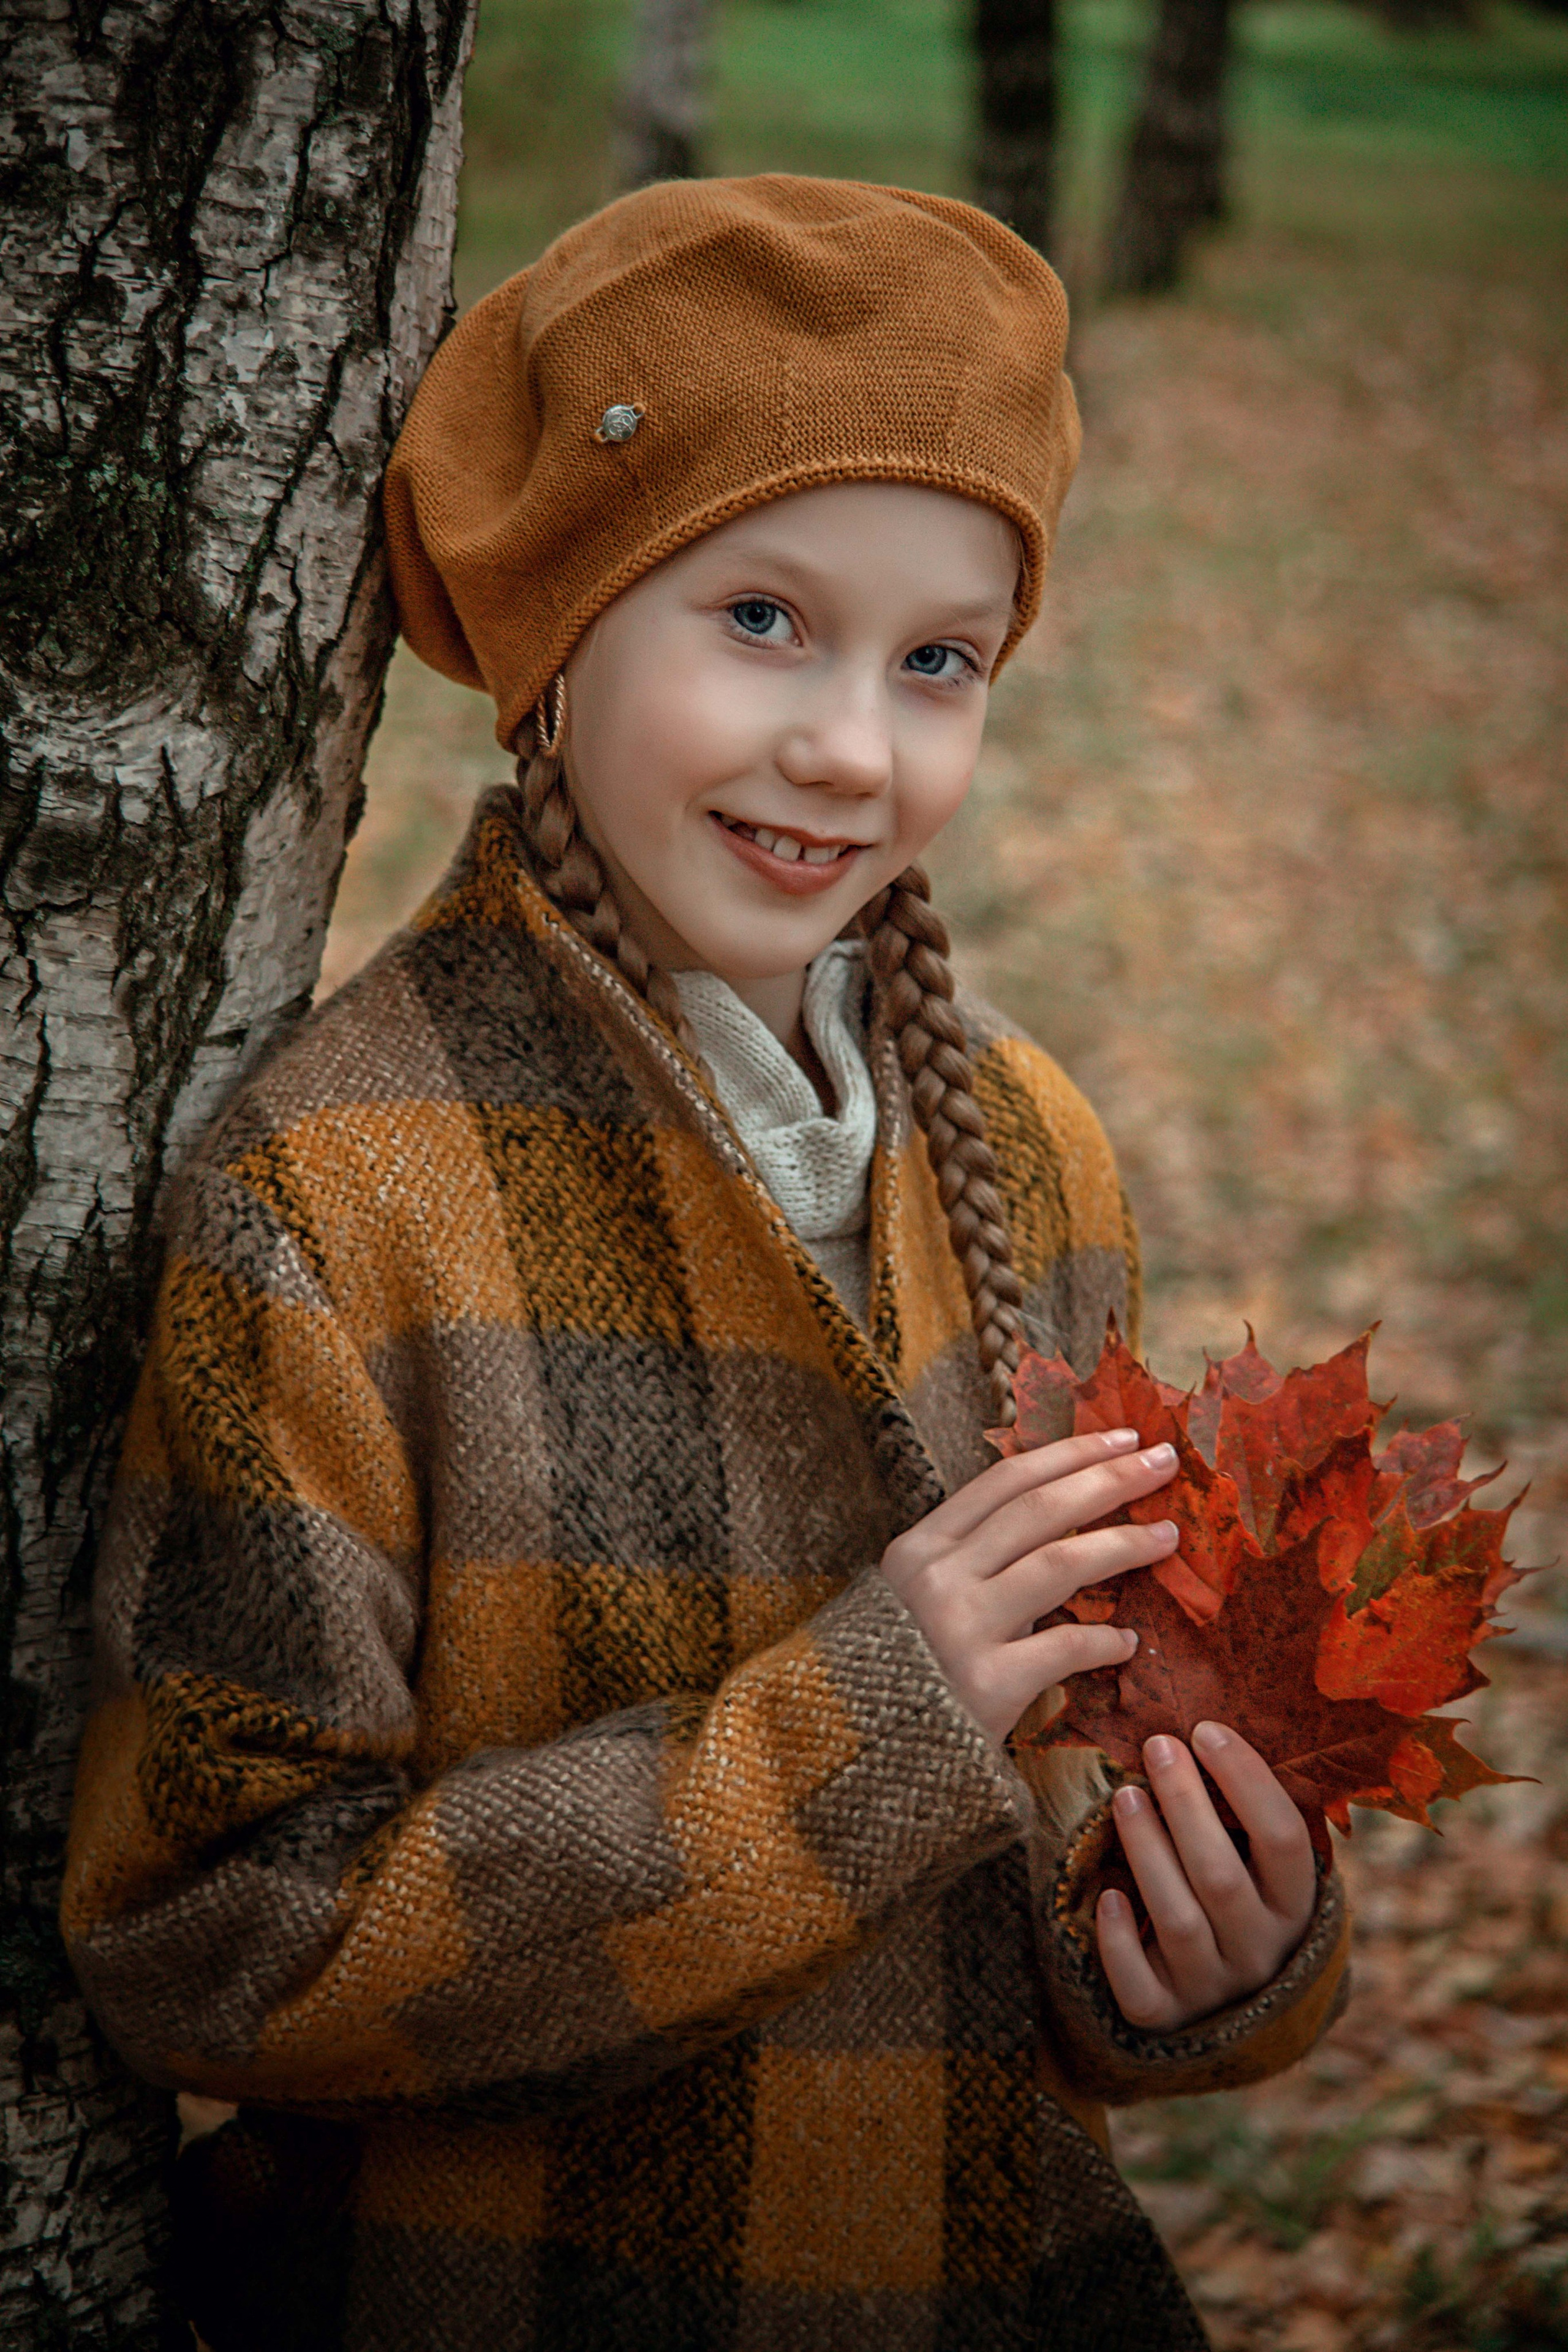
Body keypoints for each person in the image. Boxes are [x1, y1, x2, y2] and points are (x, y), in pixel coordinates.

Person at [63, 176, 1349, 2352]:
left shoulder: (1029, 1154)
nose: (855, 744)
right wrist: (867, 1725)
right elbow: (213, 1937)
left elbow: (1054, 1832)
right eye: (763, 618)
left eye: (938, 659)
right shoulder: (342, 1191)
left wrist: (1214, 1962)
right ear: (562, 622)